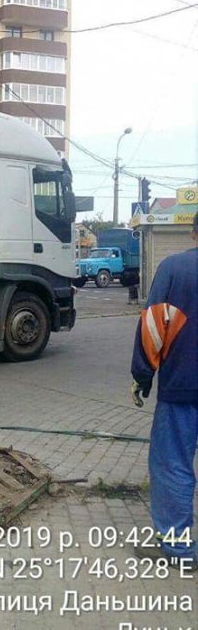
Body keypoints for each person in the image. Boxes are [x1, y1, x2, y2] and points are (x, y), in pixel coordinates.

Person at [130, 211, 198, 571]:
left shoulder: (174, 269)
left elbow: (153, 328)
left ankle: (179, 548)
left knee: (173, 465)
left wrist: (142, 376)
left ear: (192, 232)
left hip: (182, 388)